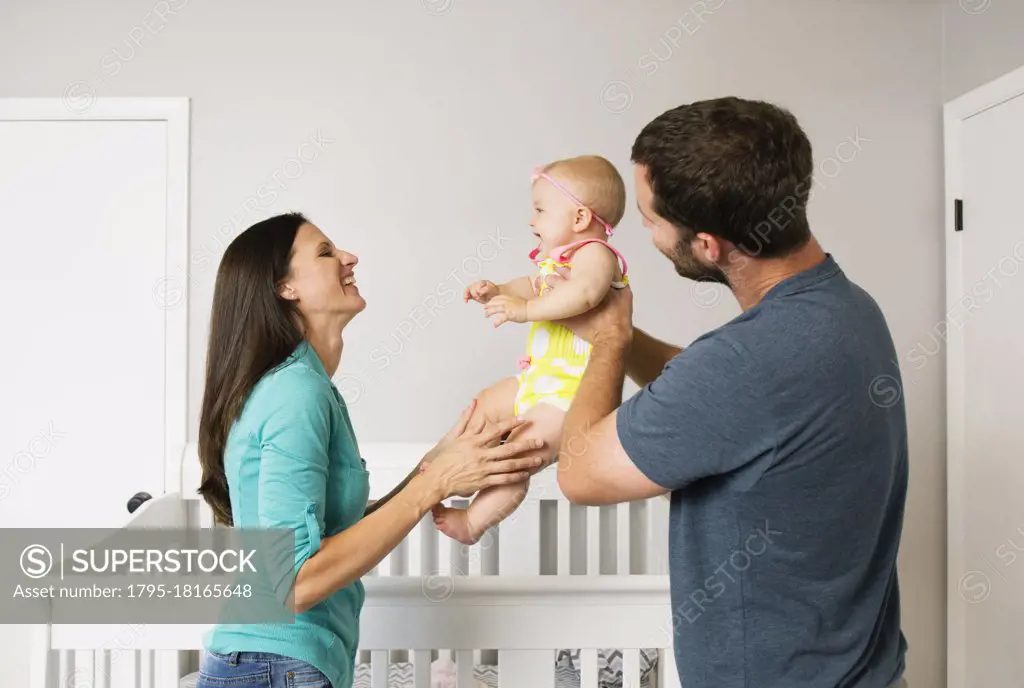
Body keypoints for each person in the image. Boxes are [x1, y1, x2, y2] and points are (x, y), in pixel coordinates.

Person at [555, 97, 910, 688]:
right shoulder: (846, 307)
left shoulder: (748, 360)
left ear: (708, 245)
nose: (641, 232)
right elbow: (721, 396)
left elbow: (580, 473)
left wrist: (610, 344)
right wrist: (617, 330)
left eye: (648, 220)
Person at [194, 212, 547, 688]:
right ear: (285, 288)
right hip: (273, 664)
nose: (349, 257)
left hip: (275, 663)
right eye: (325, 252)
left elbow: (335, 531)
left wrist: (443, 459)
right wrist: (434, 485)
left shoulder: (304, 385)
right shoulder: (295, 394)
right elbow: (293, 583)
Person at [431, 155, 630, 545]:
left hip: (572, 396)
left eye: (539, 210)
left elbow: (584, 295)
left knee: (518, 454)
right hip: (540, 381)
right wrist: (500, 290)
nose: (531, 220)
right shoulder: (556, 261)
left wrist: (525, 311)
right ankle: (445, 469)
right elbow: (530, 285)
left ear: (579, 219)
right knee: (485, 404)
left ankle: (473, 523)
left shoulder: (595, 255)